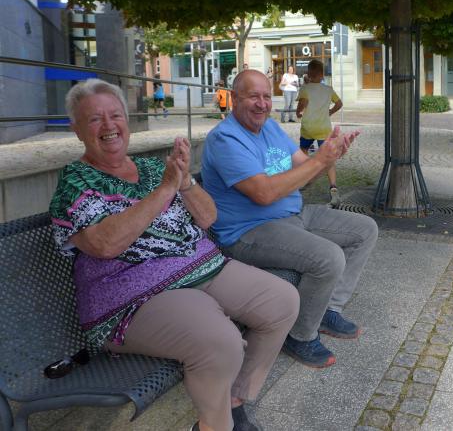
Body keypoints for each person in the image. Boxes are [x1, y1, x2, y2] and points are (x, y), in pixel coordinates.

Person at [50, 79, 299, 431]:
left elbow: (208, 218)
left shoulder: (152, 168)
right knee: (221, 341)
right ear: (76, 129)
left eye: (115, 115)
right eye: (94, 119)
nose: (108, 126)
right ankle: (215, 425)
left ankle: (233, 400)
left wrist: (185, 183)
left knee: (282, 302)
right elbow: (106, 244)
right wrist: (166, 189)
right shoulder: (76, 182)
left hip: (199, 266)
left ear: (127, 121)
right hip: (133, 296)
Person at [201, 69, 378, 369]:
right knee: (328, 257)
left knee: (365, 229)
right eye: (253, 96)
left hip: (293, 214)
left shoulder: (270, 128)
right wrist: (319, 161)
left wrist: (329, 158)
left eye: (266, 96)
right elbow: (264, 193)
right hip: (248, 231)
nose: (262, 104)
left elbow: (305, 173)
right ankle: (299, 335)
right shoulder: (225, 139)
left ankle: (327, 309)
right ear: (234, 99)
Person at [296, 59, 343, 207]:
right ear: (322, 74)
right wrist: (330, 112)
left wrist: (298, 112)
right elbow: (339, 104)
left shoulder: (305, 88)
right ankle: (333, 188)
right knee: (329, 158)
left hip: (308, 127)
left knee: (303, 152)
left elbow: (302, 103)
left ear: (308, 74)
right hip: (324, 129)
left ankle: (303, 180)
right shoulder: (328, 89)